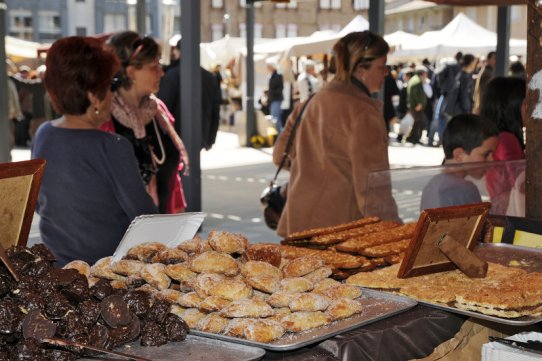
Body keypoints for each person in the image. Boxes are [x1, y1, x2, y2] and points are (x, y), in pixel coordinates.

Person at [31, 36, 157, 266]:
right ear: (94, 97)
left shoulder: (43, 134)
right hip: (106, 276)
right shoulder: (111, 146)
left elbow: (40, 203)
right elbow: (147, 218)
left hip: (56, 270)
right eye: (110, 86)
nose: (113, 94)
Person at [273, 31, 398, 237]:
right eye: (382, 66)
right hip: (338, 231)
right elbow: (373, 191)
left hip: (297, 224)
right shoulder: (363, 113)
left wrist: (313, 167)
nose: (386, 73)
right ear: (361, 69)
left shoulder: (312, 101)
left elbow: (279, 155)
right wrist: (393, 234)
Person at [104, 31, 189, 214]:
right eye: (153, 66)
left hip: (163, 230)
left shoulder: (158, 111)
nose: (161, 71)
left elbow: (172, 180)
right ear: (130, 71)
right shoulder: (104, 119)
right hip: (121, 235)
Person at [420, 114, 499, 210]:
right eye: (486, 154)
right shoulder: (465, 189)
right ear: (459, 155)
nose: (492, 160)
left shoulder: (432, 185)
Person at [157, 39, 221, 151]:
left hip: (174, 138)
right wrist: (211, 139)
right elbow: (215, 110)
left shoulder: (171, 75)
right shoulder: (209, 77)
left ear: (178, 51)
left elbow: (163, 107)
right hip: (201, 135)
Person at [480, 76, 526, 214]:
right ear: (510, 107)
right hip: (510, 214)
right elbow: (522, 184)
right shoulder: (507, 139)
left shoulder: (495, 136)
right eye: (526, 103)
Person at [405, 65, 428, 145]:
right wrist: (420, 103)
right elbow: (417, 93)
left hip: (414, 105)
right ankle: (413, 138)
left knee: (417, 123)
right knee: (418, 123)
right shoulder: (417, 81)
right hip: (416, 106)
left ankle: (412, 138)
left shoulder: (414, 80)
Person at [266, 58, 284, 132]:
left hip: (276, 99)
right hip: (272, 99)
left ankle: (281, 136)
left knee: (276, 119)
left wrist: (271, 93)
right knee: (274, 119)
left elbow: (280, 88)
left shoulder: (278, 75)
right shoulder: (270, 76)